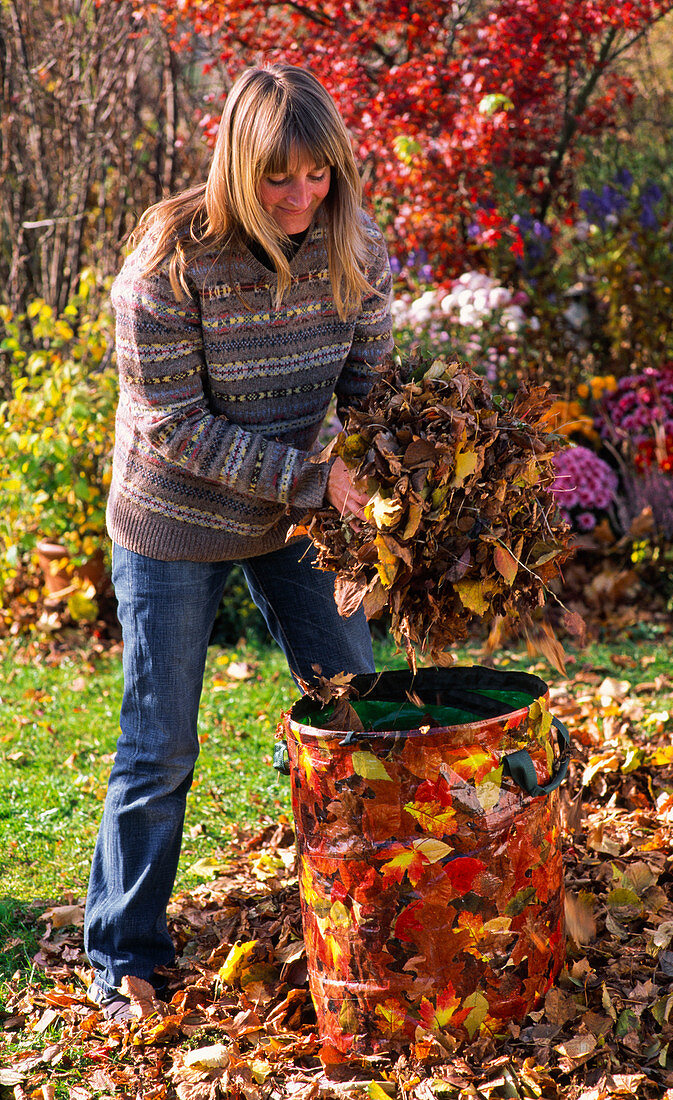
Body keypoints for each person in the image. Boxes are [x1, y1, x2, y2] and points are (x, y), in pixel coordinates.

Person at [83, 63, 394, 1022]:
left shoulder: (352, 248)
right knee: (160, 745)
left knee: (352, 704)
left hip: (295, 518)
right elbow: (171, 422)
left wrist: (386, 469)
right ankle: (123, 948)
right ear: (235, 166)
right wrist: (313, 479)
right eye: (277, 177)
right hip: (173, 524)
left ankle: (362, 907)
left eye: (318, 175)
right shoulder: (168, 264)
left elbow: (370, 387)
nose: (301, 197)